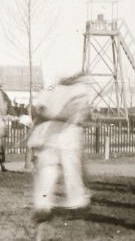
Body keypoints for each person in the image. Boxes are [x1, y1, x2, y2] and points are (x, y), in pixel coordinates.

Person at [31, 71, 92, 221]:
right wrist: (60, 116)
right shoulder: (79, 89)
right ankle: (76, 204)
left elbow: (40, 108)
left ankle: (43, 205)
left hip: (50, 134)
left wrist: (48, 115)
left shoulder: (52, 88)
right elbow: (76, 111)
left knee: (48, 170)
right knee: (69, 170)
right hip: (66, 134)